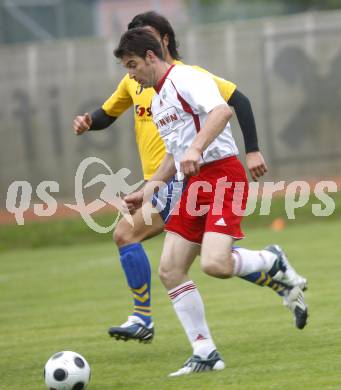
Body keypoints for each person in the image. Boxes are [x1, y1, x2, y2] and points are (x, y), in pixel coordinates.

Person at [73, 12, 308, 344]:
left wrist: (250, 148)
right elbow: (107, 114)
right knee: (197, 257)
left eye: (147, 38)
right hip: (169, 179)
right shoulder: (137, 82)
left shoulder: (190, 77)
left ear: (161, 42)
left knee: (185, 253)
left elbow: (234, 103)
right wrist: (88, 122)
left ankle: (148, 319)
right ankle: (271, 281)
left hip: (195, 177)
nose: (132, 67)